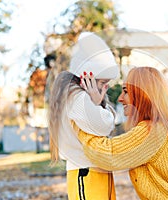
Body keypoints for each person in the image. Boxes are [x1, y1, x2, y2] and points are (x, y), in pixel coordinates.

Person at [73, 66, 168, 199]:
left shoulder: (151, 131)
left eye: (125, 91)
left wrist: (82, 117)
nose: (120, 98)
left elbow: (107, 154)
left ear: (142, 94)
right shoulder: (162, 127)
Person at [48, 32, 119, 200]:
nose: (106, 88)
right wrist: (96, 103)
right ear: (87, 78)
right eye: (102, 83)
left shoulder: (83, 98)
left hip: (95, 170)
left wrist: (97, 103)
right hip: (86, 172)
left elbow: (107, 122)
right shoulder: (77, 98)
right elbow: (105, 125)